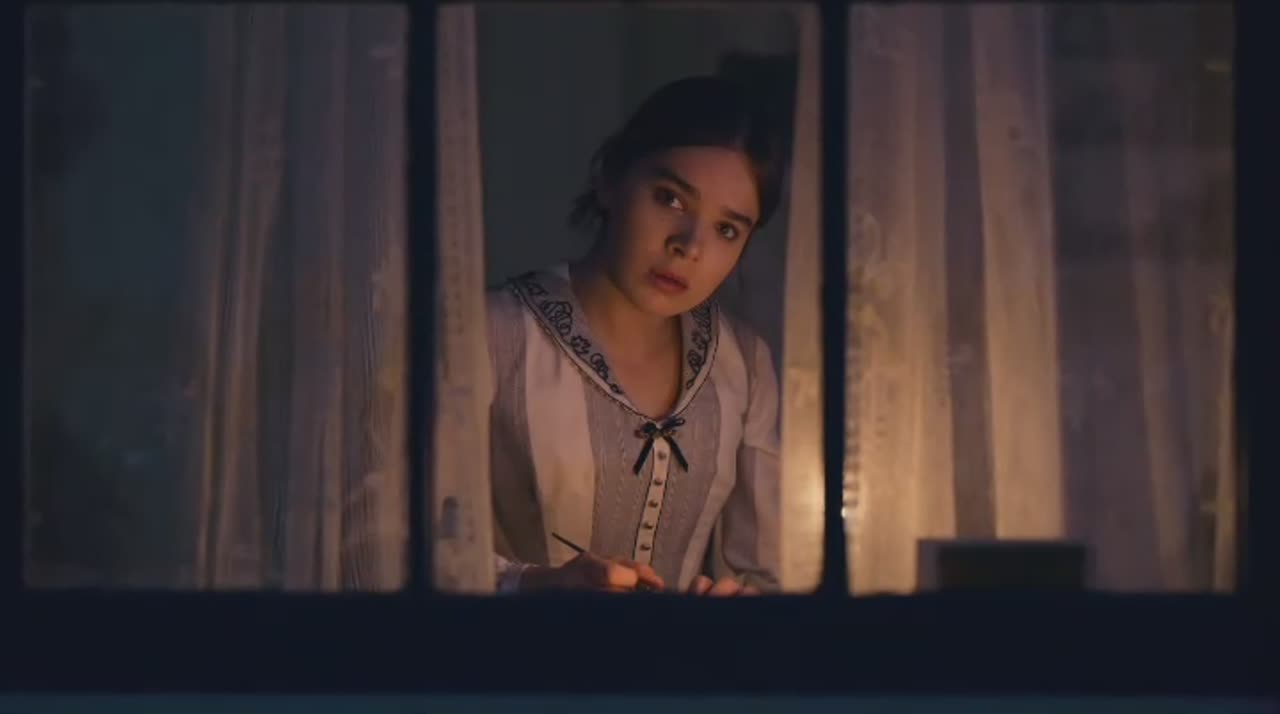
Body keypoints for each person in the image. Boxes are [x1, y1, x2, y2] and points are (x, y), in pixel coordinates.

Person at [486, 75, 787, 595]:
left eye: (726, 229)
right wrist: (533, 585)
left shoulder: (744, 363)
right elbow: (393, 544)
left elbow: (769, 570)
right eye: (671, 199)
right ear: (609, 178)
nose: (689, 246)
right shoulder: (492, 333)